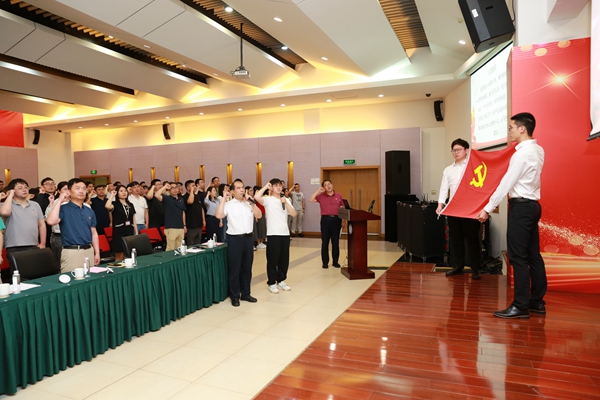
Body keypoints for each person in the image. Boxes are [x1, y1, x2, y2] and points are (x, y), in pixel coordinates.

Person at [477, 112, 545, 319]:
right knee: (533, 256)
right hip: (532, 206)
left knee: (517, 257)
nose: (509, 132)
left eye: (511, 128)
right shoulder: (538, 150)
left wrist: (487, 208)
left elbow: (506, 183)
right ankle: (537, 302)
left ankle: (520, 306)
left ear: (522, 129)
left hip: (521, 208)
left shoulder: (522, 154)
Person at [436, 138, 482, 280]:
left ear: (466, 150)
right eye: (454, 150)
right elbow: (444, 188)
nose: (456, 152)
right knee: (456, 239)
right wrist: (440, 204)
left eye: (459, 150)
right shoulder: (448, 170)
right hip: (454, 208)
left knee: (472, 240)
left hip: (470, 208)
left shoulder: (473, 166)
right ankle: (457, 266)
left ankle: (476, 269)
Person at [216, 178, 262, 306]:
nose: (242, 190)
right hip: (234, 239)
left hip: (248, 238)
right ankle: (235, 296)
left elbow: (259, 215)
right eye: (238, 188)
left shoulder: (249, 203)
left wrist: (252, 203)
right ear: (232, 191)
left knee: (247, 267)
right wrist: (224, 199)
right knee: (235, 268)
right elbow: (219, 215)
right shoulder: (229, 205)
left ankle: (246, 294)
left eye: (242, 187)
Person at [47, 178, 100, 272]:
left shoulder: (89, 210)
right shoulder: (63, 208)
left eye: (84, 188)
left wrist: (97, 252)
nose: (81, 191)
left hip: (89, 250)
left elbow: (94, 233)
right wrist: (59, 201)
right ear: (69, 191)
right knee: (72, 279)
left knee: (90, 279)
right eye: (77, 188)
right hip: (72, 251)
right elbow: (51, 221)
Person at [255, 179, 296, 293]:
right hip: (273, 234)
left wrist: (285, 202)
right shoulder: (268, 200)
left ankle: (281, 280)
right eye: (275, 186)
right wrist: (265, 186)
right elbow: (257, 197)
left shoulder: (286, 199)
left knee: (284, 259)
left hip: (285, 233)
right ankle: (271, 282)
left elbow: (293, 213)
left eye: (280, 186)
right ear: (271, 188)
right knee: (273, 259)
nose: (278, 187)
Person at [0, 179, 46, 273]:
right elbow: (5, 212)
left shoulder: (35, 205)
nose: (24, 190)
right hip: (14, 246)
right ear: (12, 190)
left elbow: (41, 225)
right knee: (18, 275)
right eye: (20, 188)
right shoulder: (5, 205)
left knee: (35, 273)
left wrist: (43, 243)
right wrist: (10, 195)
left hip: (33, 245)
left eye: (26, 187)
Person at [309, 180, 344, 269]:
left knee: (335, 242)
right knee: (325, 242)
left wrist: (343, 221)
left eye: (329, 184)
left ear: (332, 185)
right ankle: (325, 262)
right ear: (323, 187)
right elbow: (311, 199)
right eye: (326, 185)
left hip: (336, 219)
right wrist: (318, 191)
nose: (328, 186)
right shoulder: (321, 196)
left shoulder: (339, 195)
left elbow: (342, 208)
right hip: (325, 220)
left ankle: (335, 262)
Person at [105, 185, 137, 260]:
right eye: (121, 191)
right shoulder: (115, 204)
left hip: (129, 230)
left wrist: (136, 231)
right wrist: (112, 195)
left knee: (130, 254)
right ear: (117, 193)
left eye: (125, 191)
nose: (124, 193)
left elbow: (133, 218)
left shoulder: (130, 204)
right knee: (119, 255)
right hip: (119, 232)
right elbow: (107, 206)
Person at [155, 182, 186, 251]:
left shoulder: (181, 199)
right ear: (169, 190)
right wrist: (164, 187)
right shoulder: (167, 199)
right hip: (171, 227)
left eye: (176, 187)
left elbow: (183, 212)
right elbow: (157, 195)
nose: (174, 189)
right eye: (172, 188)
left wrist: (184, 225)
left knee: (180, 248)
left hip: (180, 227)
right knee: (170, 248)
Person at [45, 181, 69, 265]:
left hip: (71, 235)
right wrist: (51, 203)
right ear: (59, 191)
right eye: (65, 189)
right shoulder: (56, 202)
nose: (67, 191)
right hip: (58, 235)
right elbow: (48, 218)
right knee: (59, 260)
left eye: (69, 189)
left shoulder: (74, 202)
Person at [183, 180, 206, 245]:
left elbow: (201, 208)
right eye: (192, 186)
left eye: (195, 186)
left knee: (198, 244)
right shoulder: (185, 197)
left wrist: (203, 220)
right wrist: (192, 192)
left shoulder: (196, 196)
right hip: (191, 225)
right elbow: (190, 201)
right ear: (188, 188)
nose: (195, 187)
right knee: (191, 244)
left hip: (199, 224)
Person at [253, 185, 267, 249]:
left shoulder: (262, 198)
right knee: (259, 228)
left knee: (262, 228)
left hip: (263, 213)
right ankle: (258, 242)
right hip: (258, 214)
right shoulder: (255, 198)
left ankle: (261, 241)